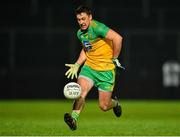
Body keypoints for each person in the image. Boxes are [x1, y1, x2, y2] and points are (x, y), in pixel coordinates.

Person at [64, 5, 124, 131]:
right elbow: (87, 50)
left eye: (84, 19)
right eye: (79, 20)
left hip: (106, 71)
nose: (81, 22)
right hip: (89, 68)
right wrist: (77, 64)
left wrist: (115, 59)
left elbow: (118, 38)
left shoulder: (97, 27)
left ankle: (116, 103)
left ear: (90, 17)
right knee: (80, 92)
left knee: (103, 106)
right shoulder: (80, 33)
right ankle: (73, 119)